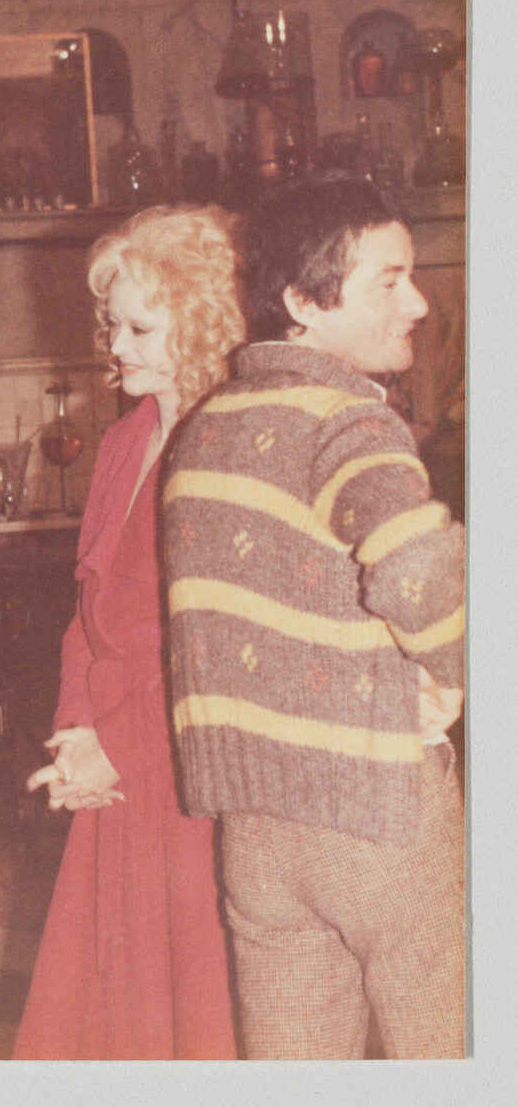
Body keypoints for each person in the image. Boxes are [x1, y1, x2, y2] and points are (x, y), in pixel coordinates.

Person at [162, 172, 465, 1059]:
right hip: (375, 805)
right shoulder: (351, 424)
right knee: (448, 1050)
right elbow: (417, 572)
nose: (415, 301)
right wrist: (456, 674)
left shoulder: (205, 427)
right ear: (301, 300)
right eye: (387, 280)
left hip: (254, 826)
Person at [14, 205, 244, 1059]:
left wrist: (118, 744)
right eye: (113, 323)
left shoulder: (232, 442)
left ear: (205, 319)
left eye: (141, 327)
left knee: (193, 1002)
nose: (117, 345)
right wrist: (76, 732)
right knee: (105, 997)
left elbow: (220, 650)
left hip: (181, 750)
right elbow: (88, 612)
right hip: (108, 746)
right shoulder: (121, 439)